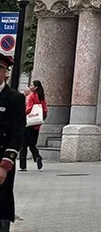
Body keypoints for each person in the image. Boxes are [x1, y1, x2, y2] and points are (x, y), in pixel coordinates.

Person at [0, 54, 26, 232]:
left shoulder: (14, 98)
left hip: (1, 161)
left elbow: (18, 133)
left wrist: (5, 164)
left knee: (0, 206)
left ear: (5, 73)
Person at [20, 80, 46, 170]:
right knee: (32, 144)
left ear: (36, 87)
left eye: (32, 85)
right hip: (37, 124)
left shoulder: (31, 97)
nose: (30, 86)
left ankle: (23, 166)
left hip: (28, 123)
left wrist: (22, 115)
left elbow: (28, 109)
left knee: (23, 145)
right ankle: (37, 156)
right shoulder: (41, 97)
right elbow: (45, 110)